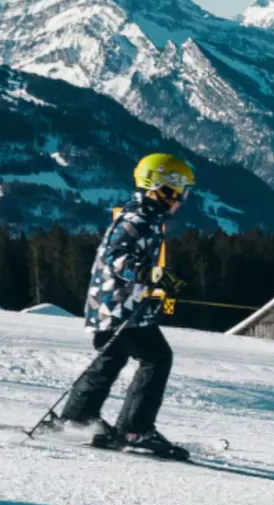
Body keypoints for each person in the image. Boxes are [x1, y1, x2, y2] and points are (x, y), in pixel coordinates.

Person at [52, 153, 195, 459]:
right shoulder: (138, 218)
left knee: (111, 358)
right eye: (181, 190)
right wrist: (148, 274)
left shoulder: (146, 217)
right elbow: (116, 257)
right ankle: (134, 430)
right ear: (161, 186)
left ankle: (77, 417)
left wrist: (159, 278)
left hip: (110, 304)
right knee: (157, 358)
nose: (183, 198)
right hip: (120, 306)